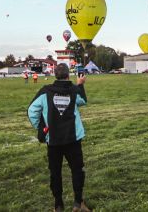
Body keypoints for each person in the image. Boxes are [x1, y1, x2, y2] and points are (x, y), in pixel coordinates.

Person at [28, 63, 90, 212]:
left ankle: (58, 205)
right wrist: (80, 85)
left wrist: (42, 128)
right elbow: (83, 100)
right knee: (77, 170)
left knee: (55, 173)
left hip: (53, 140)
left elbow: (32, 111)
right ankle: (78, 203)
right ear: (68, 75)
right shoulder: (74, 91)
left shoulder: (45, 91)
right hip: (73, 139)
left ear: (55, 74)